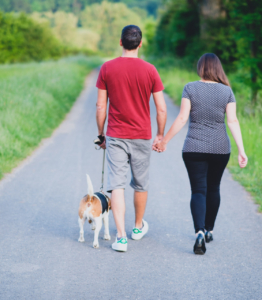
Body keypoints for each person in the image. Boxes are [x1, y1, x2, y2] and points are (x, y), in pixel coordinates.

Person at [154, 53, 248, 255]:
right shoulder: (227, 92)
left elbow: (181, 118)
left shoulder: (190, 88)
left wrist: (164, 141)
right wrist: (241, 150)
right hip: (220, 149)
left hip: (193, 148)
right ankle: (209, 230)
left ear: (200, 68)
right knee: (213, 188)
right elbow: (232, 121)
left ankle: (198, 231)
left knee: (198, 191)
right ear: (218, 69)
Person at [95, 25, 167, 252]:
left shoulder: (107, 68)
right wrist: (160, 135)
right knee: (140, 183)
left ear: (120, 42)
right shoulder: (150, 70)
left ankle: (122, 238)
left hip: (116, 135)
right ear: (140, 43)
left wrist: (101, 134)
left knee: (116, 185)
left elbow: (100, 106)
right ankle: (137, 228)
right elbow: (162, 109)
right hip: (142, 135)